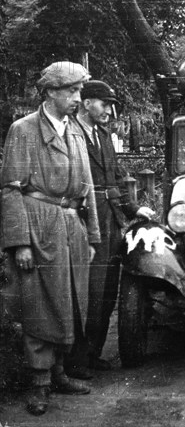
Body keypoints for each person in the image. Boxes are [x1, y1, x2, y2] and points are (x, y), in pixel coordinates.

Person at [0, 61, 101, 415]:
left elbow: (87, 189)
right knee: (40, 306)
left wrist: (91, 236)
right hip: (39, 227)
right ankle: (39, 384)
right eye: (71, 91)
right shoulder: (23, 130)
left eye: (79, 91)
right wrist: (20, 243)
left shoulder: (74, 130)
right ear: (50, 93)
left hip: (72, 227)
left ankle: (59, 372)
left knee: (70, 302)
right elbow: (10, 190)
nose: (78, 98)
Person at [65, 80, 154, 378]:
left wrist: (134, 208)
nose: (109, 111)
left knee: (105, 291)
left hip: (110, 219)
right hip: (82, 218)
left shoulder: (103, 135)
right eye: (104, 104)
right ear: (87, 102)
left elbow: (116, 177)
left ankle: (93, 353)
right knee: (84, 290)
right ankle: (74, 360)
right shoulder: (69, 134)